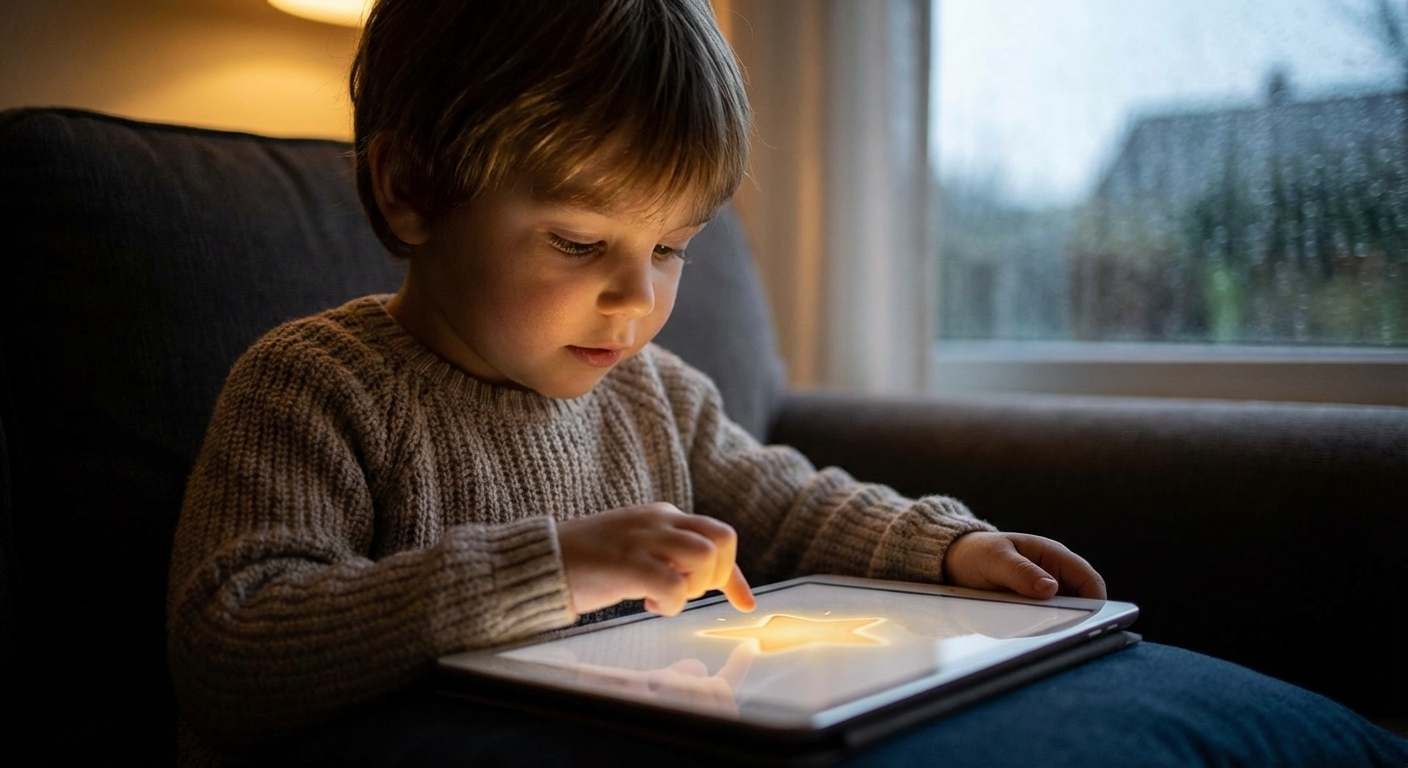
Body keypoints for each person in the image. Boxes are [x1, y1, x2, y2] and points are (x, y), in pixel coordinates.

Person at [178, 0, 1385, 763]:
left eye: (670, 251)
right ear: (410, 192)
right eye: (578, 243)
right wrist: (556, 566)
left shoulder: (649, 393)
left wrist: (941, 550)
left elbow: (788, 497)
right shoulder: (313, 387)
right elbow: (232, 652)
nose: (635, 300)